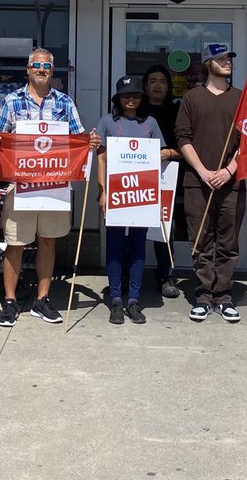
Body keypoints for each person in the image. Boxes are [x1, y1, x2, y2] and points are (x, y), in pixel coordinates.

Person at [0, 47, 98, 327]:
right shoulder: (12, 101)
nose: (41, 70)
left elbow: (78, 138)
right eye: (36, 65)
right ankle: (10, 301)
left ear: (52, 71)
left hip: (54, 185)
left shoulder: (65, 102)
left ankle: (42, 299)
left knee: (48, 241)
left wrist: (90, 142)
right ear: (27, 69)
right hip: (20, 184)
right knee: (15, 243)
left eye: (47, 66)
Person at [96, 76, 176, 325]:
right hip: (117, 192)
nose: (131, 99)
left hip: (143, 193)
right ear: (118, 98)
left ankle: (133, 300)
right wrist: (103, 191)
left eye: (136, 95)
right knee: (115, 246)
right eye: (126, 95)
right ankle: (116, 300)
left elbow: (162, 156)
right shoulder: (107, 122)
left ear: (142, 98)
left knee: (138, 247)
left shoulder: (150, 123)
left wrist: (166, 155)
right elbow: (101, 159)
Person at [175, 43, 244, 323]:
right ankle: (204, 297)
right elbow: (182, 137)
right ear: (207, 63)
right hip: (197, 182)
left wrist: (228, 170)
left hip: (231, 182)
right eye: (221, 59)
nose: (227, 62)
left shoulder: (241, 98)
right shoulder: (192, 97)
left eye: (229, 58)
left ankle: (224, 297)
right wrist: (203, 171)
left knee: (228, 242)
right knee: (201, 241)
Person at [138, 63, 181, 299]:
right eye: (153, 81)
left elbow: (188, 145)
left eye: (162, 81)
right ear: (145, 86)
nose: (157, 85)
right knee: (131, 226)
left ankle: (166, 276)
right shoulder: (135, 109)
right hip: (136, 175)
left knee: (164, 229)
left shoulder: (178, 110)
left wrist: (169, 153)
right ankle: (127, 275)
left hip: (167, 176)